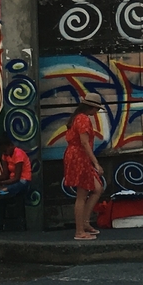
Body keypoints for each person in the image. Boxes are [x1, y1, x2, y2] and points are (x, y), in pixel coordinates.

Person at [63, 94, 105, 241]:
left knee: (97, 188)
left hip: (76, 156)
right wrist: (96, 163)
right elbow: (85, 143)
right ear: (91, 107)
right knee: (82, 194)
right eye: (96, 109)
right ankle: (79, 231)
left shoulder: (77, 117)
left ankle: (85, 223)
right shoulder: (83, 119)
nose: (97, 112)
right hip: (79, 157)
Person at [0, 132, 32, 233]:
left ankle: (3, 190)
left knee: (11, 187)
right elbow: (5, 174)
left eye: (6, 150)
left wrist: (3, 182)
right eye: (3, 151)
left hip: (22, 182)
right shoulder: (5, 155)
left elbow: (16, 178)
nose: (5, 153)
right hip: (9, 183)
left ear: (10, 145)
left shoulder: (18, 153)